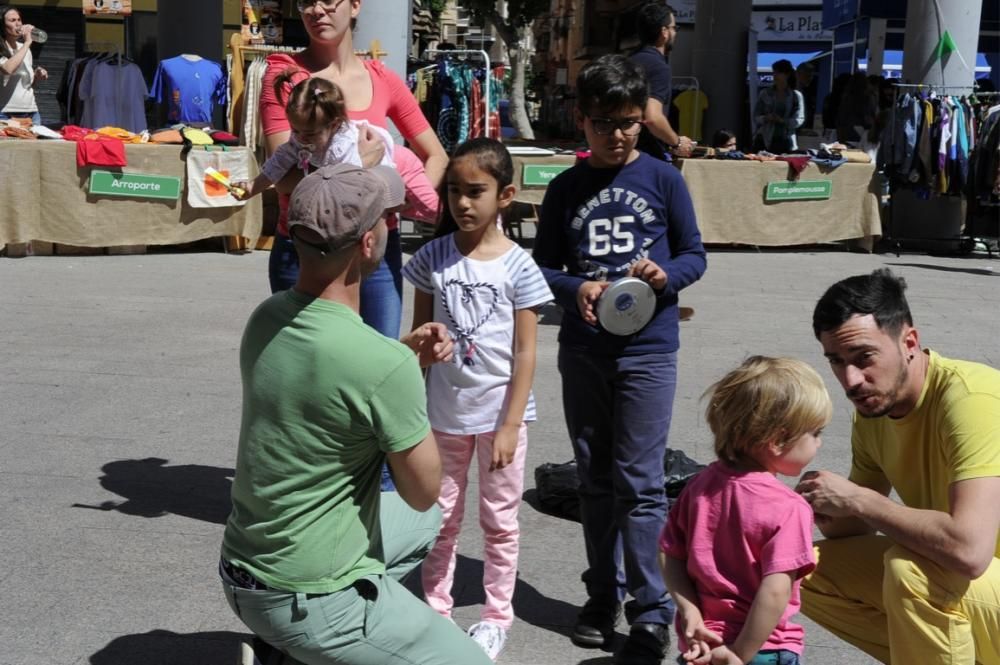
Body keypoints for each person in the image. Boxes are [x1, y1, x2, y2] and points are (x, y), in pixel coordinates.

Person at [219, 162, 492, 665]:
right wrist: (405, 375)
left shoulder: (266, 318)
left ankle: (294, 649)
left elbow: (330, 376)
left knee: (423, 524)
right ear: (368, 243)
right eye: (386, 217)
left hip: (242, 570)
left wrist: (401, 356)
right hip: (307, 597)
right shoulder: (382, 365)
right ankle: (319, 640)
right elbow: (422, 487)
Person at [533, 54, 707, 665]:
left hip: (649, 351)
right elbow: (542, 266)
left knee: (640, 483)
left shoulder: (664, 179)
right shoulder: (565, 188)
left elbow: (695, 254)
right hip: (583, 352)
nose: (619, 134)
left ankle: (651, 611)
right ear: (581, 122)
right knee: (593, 480)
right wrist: (570, 286)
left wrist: (666, 277)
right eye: (605, 123)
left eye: (630, 122)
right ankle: (600, 594)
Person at [796, 268, 1000, 665]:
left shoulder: (971, 400)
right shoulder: (874, 412)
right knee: (794, 568)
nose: (851, 380)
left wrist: (858, 500)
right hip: (976, 590)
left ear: (909, 341)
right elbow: (853, 526)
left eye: (864, 358)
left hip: (974, 576)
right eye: (836, 361)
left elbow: (969, 551)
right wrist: (790, 508)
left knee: (914, 572)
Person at [402, 137, 553, 661]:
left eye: (476, 192)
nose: (463, 204)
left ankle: (496, 616)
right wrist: (425, 348)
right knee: (438, 518)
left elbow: (527, 352)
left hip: (499, 420)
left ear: (505, 195)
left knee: (500, 521)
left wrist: (511, 424)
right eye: (453, 192)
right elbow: (419, 338)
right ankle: (435, 608)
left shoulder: (519, 267)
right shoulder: (430, 258)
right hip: (443, 416)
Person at [260, 0, 448, 338]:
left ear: (356, 5)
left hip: (374, 252)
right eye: (305, 1)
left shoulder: (383, 79)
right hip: (305, 249)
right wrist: (362, 168)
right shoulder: (285, 75)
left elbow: (436, 156)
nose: (316, 10)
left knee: (376, 369)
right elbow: (285, 179)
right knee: (308, 373)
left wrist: (400, 199)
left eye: (328, 0)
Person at [660, 356, 831, 665]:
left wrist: (690, 612)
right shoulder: (789, 508)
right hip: (762, 648)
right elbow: (775, 592)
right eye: (816, 433)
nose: (819, 443)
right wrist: (739, 654)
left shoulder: (700, 485)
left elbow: (671, 555)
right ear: (778, 440)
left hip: (701, 642)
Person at [235, 74, 438, 225]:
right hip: (377, 175)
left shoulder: (344, 144)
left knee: (430, 207)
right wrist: (253, 186)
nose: (300, 138)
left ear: (334, 125)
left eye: (311, 133)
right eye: (295, 130)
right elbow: (278, 163)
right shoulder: (301, 138)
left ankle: (453, 223)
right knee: (402, 206)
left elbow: (350, 179)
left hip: (402, 164)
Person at [628, 2, 693, 160]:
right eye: (674, 28)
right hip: (646, 157)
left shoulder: (629, 61)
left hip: (625, 152)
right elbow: (652, 117)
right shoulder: (659, 67)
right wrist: (677, 143)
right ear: (664, 32)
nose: (675, 33)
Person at [0, 5, 47, 125]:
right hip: (5, 113)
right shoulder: (23, 46)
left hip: (31, 112)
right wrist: (27, 43)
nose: (18, 24)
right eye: (12, 20)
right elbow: (7, 69)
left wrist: (36, 76)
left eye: (19, 20)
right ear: (2, 25)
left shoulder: (24, 49)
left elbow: (28, 85)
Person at [752, 59, 804, 153]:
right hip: (764, 139)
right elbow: (756, 117)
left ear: (787, 74)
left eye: (778, 73)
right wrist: (766, 118)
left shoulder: (796, 96)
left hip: (786, 141)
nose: (775, 75)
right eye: (774, 72)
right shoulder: (765, 93)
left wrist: (782, 121)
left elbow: (799, 119)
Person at [835, 72, 878, 144]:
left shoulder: (846, 97)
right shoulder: (868, 98)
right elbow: (868, 117)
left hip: (846, 132)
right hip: (862, 134)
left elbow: (841, 118)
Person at [795, 62, 817, 130]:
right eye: (807, 76)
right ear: (798, 74)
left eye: (812, 76)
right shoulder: (791, 93)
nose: (811, 78)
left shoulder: (804, 92)